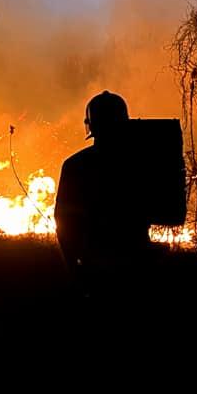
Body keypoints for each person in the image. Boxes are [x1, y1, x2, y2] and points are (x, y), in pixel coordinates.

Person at [54, 91, 152, 285]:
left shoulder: (75, 165)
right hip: (134, 262)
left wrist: (73, 268)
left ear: (91, 125)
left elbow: (63, 220)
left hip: (93, 262)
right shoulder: (140, 164)